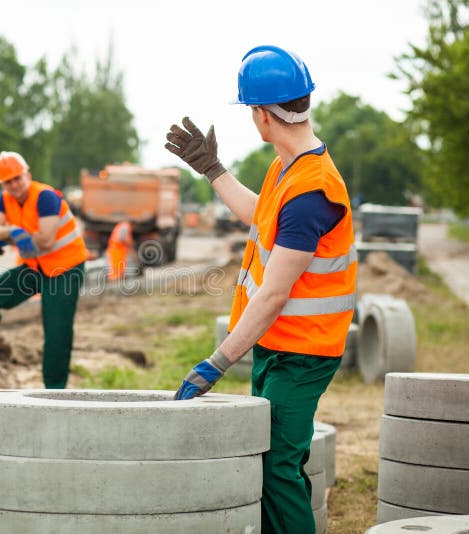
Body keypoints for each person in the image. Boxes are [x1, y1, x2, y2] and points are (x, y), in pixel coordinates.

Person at [165, 45, 357, 534]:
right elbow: (262, 215)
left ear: (262, 115)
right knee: (277, 462)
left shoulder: (312, 190)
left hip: (303, 354)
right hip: (277, 346)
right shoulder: (288, 167)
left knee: (275, 467)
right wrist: (213, 170)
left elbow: (273, 294)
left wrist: (217, 362)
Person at [0, 151, 88, 389]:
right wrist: (12, 232)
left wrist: (8, 235)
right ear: (2, 184)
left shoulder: (46, 197)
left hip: (65, 269)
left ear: (27, 175)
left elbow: (47, 240)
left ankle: (55, 389)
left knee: (56, 329)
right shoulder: (4, 200)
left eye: (17, 178)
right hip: (35, 267)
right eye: (7, 182)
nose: (14, 185)